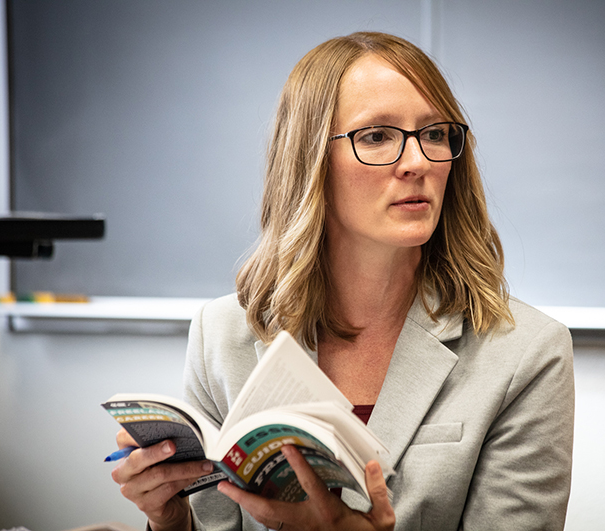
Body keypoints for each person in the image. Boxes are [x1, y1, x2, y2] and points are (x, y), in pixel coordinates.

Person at [110, 31, 574, 531]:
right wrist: (170, 520)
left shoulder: (527, 353)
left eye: (436, 133)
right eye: (376, 136)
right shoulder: (221, 334)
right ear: (309, 160)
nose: (418, 162)